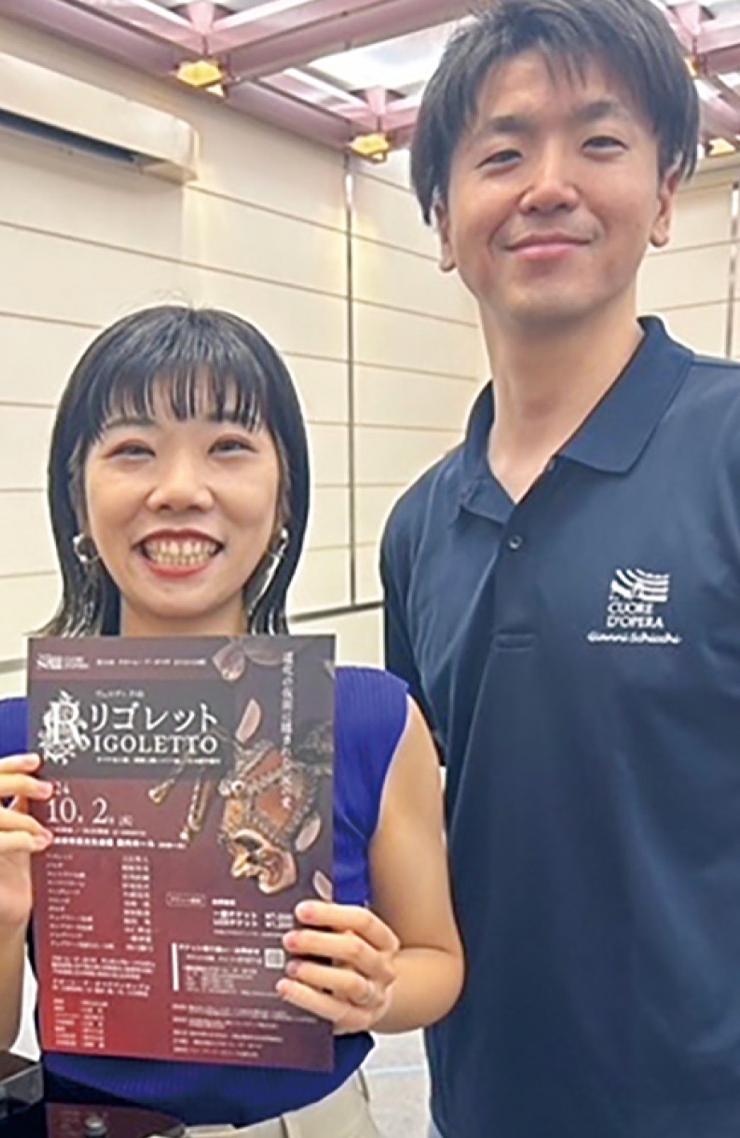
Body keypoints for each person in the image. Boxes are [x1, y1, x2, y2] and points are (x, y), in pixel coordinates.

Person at [0, 305, 463, 1137]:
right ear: (78, 498)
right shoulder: (10, 745)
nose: (179, 489)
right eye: (133, 450)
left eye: (229, 447)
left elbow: (438, 961)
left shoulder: (373, 719)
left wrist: (377, 990)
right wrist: (0, 923)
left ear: (284, 497)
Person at [379, 1, 740, 1135]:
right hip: (485, 1097)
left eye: (599, 141)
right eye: (502, 154)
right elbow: (418, 823)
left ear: (666, 198)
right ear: (444, 222)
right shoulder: (417, 527)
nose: (547, 185)